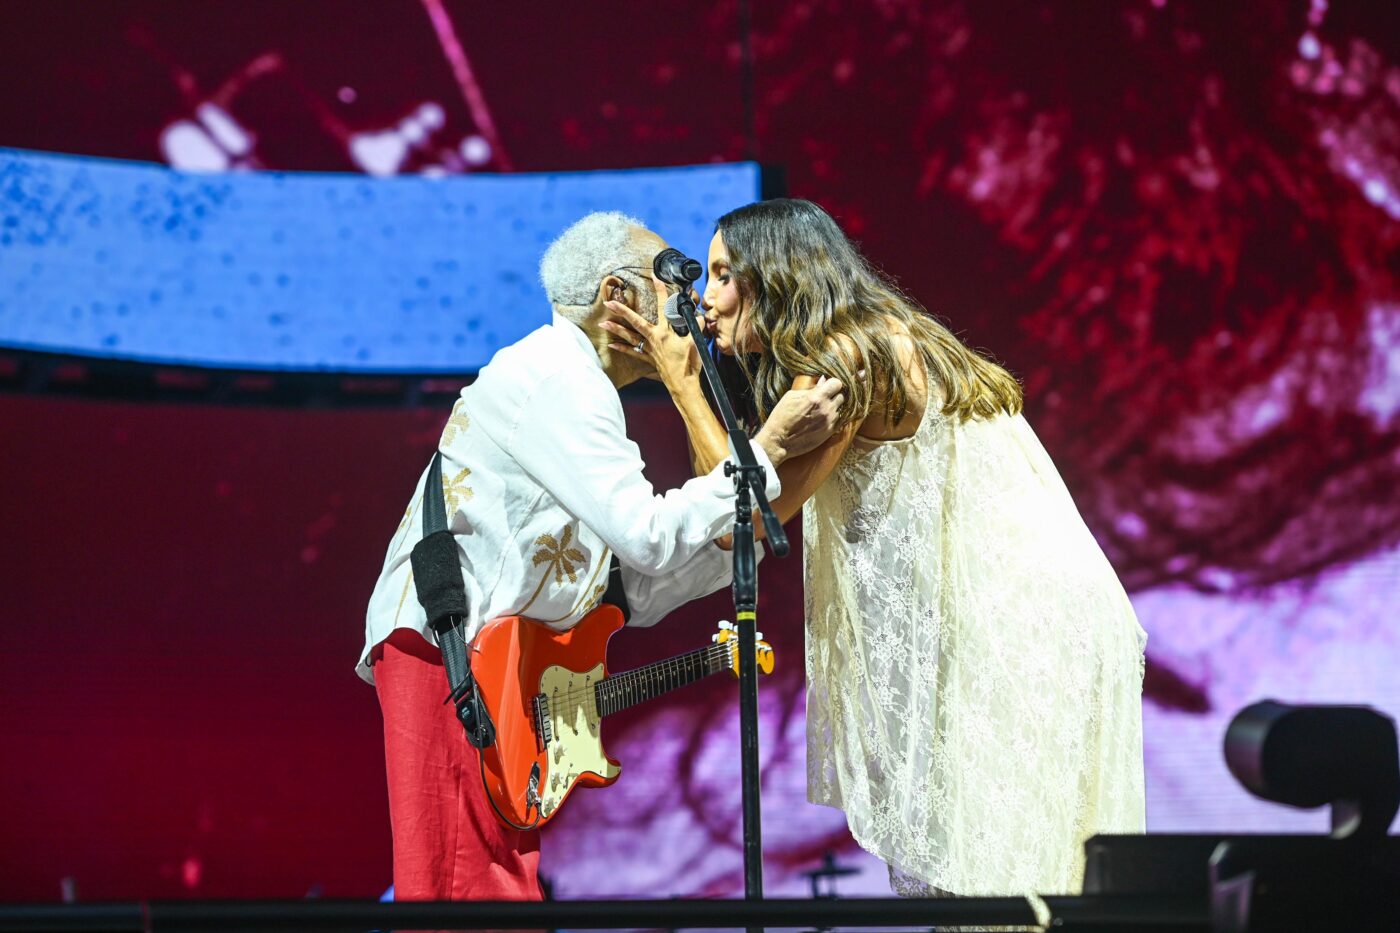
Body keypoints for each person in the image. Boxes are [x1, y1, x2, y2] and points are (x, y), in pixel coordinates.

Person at [605, 198, 1148, 899]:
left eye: (721, 276)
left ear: (776, 277)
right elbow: (742, 480)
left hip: (1020, 629)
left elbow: (738, 514)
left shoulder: (846, 357)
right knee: (1004, 881)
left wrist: (682, 383)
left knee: (997, 886)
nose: (706, 300)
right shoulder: (867, 333)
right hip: (1031, 619)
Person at [359, 211, 846, 901]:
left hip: (495, 666)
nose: (692, 302)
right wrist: (765, 449)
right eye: (671, 278)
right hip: (452, 656)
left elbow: (626, 588)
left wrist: (744, 534)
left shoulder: (581, 386)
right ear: (619, 296)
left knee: (499, 889)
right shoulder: (556, 377)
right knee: (464, 895)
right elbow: (647, 534)